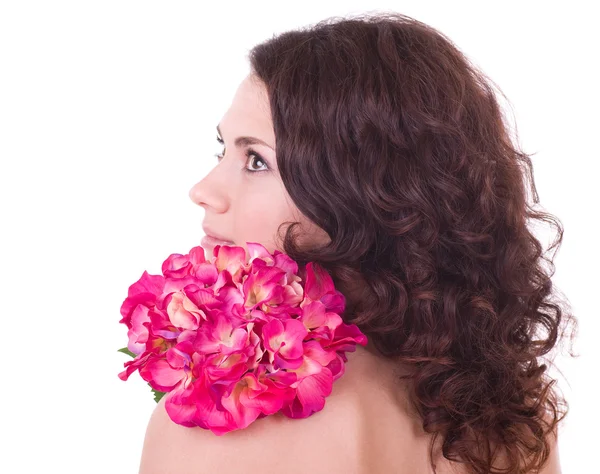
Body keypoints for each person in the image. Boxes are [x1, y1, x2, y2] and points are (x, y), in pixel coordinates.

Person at [138, 12, 575, 474]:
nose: (203, 190)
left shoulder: (210, 426)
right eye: (221, 150)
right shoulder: (514, 418)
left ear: (360, 192)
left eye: (256, 161)